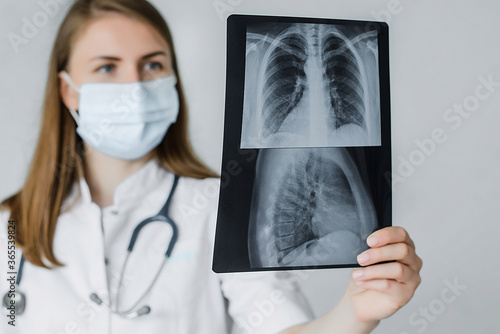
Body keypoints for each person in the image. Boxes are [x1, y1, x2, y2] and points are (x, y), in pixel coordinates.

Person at [0, 0, 422, 333]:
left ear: (172, 79)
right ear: (68, 90)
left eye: (152, 65)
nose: (135, 85)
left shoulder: (216, 208)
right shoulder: (9, 228)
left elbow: (285, 330)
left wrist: (358, 311)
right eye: (107, 67)